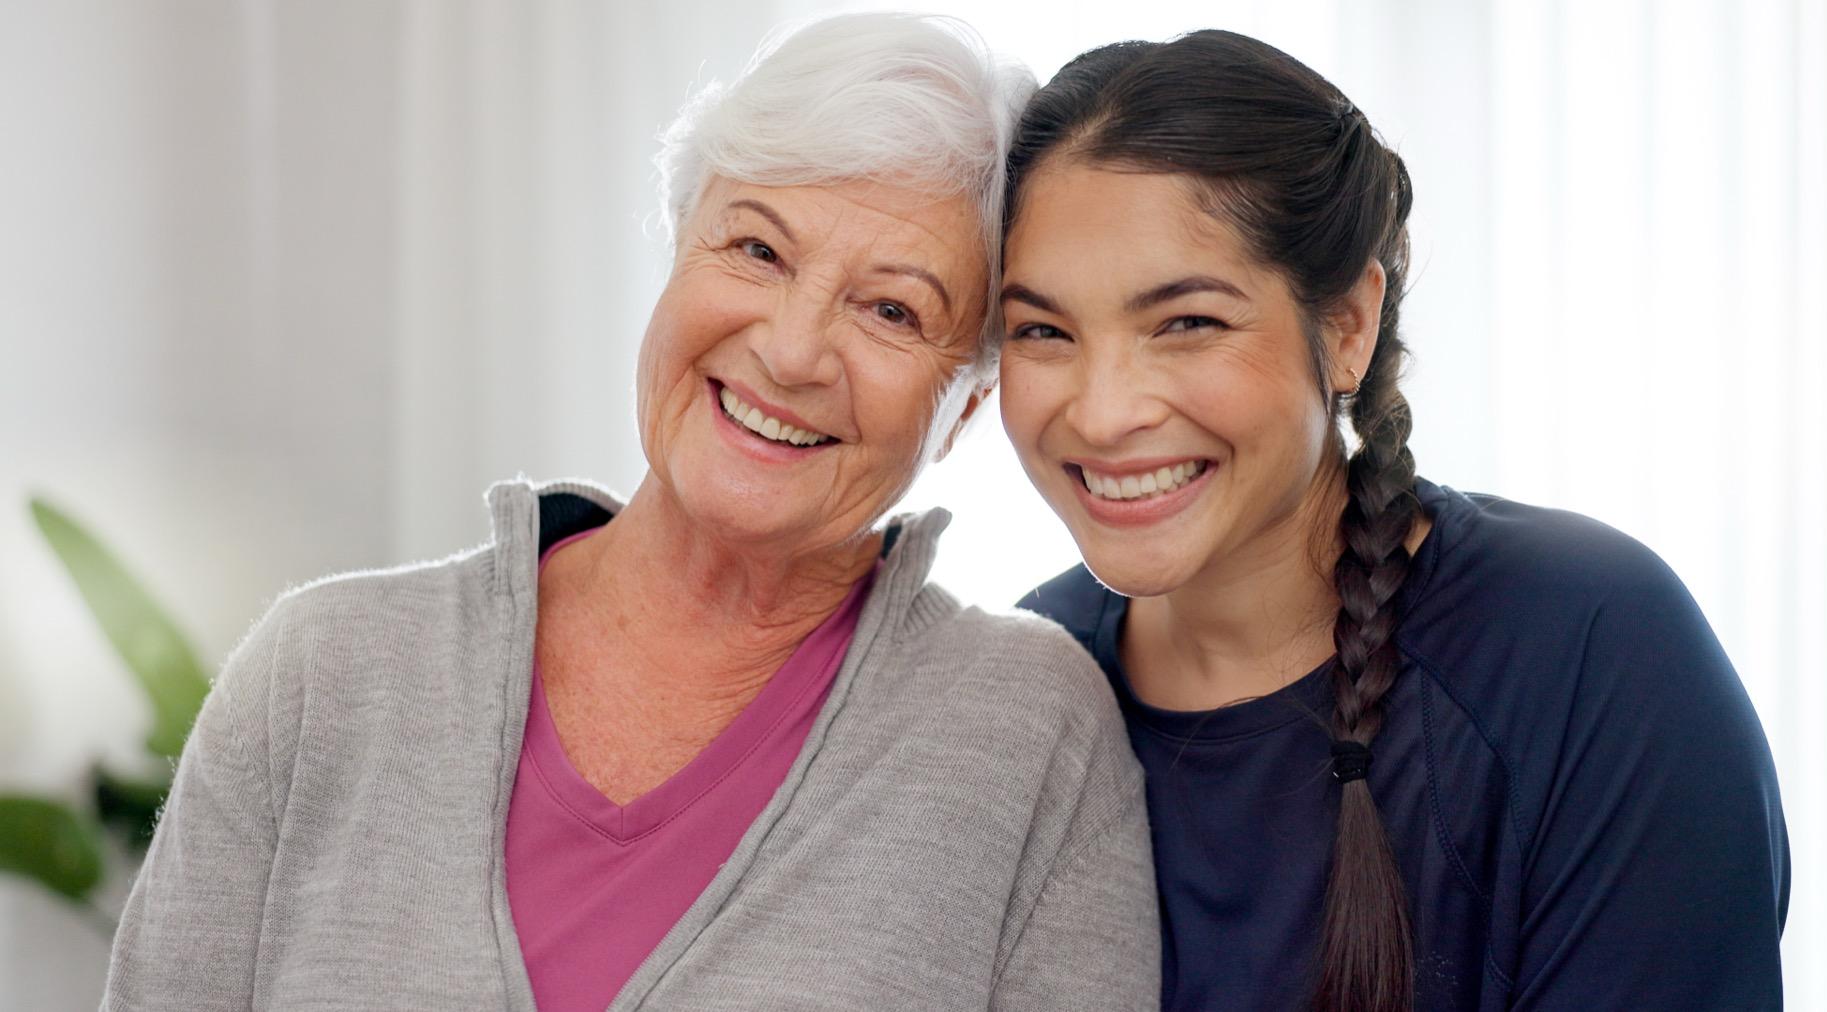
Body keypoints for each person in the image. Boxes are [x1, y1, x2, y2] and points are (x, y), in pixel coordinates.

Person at [103, 15, 1157, 1011]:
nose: (791, 350)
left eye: (892, 310)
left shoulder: (1029, 735)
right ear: (673, 250)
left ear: (966, 404)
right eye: (756, 250)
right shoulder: (322, 675)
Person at [1000, 31, 1788, 1011]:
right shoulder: (1024, 690)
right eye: (1041, 330)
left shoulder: (1585, 649)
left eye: (1188, 321)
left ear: (1346, 327)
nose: (1103, 410)